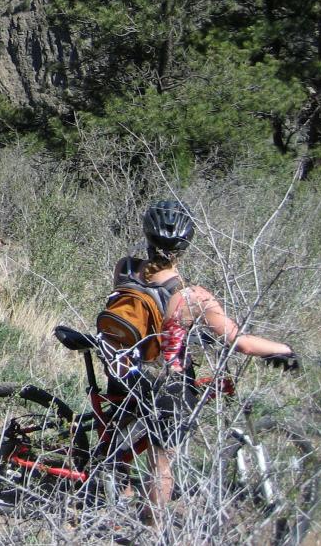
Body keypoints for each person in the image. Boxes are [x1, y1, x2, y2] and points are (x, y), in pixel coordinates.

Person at [114, 198, 299, 526]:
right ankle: (150, 531)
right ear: (187, 243)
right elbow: (237, 341)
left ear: (147, 234)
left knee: (127, 428)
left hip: (124, 367)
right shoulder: (192, 296)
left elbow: (148, 318)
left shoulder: (125, 267)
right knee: (162, 465)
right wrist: (282, 349)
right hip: (165, 384)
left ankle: (119, 480)